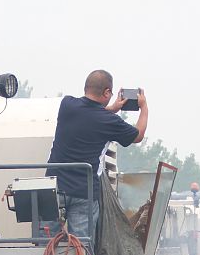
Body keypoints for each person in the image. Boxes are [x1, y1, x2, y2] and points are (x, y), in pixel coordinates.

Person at [43, 70, 148, 243]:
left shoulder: (67, 105)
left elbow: (88, 114)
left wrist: (113, 108)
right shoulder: (109, 121)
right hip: (84, 192)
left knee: (45, 244)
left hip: (54, 187)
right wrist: (144, 107)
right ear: (107, 92)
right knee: (82, 247)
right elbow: (138, 135)